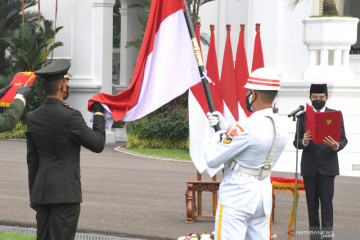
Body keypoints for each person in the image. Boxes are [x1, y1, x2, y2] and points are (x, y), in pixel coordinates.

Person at [26, 59, 106, 240]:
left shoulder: (33, 116)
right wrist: (99, 113)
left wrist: (34, 195)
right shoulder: (70, 116)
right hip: (65, 196)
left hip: (42, 194)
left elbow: (32, 160)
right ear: (63, 86)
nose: (68, 85)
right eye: (67, 82)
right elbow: (98, 144)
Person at [205, 68, 288, 240]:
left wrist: (217, 137)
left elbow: (212, 159)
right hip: (262, 194)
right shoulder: (281, 126)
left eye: (249, 91)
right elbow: (255, 140)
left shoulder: (247, 127)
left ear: (254, 94)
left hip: (238, 195)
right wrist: (228, 126)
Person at [293, 83, 347, 240]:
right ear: (310, 98)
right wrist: (303, 141)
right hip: (309, 168)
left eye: (321, 97)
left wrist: (336, 145)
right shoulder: (302, 116)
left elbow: (343, 139)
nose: (318, 100)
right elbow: (295, 142)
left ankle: (328, 238)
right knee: (312, 207)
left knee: (327, 206)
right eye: (315, 97)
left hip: (328, 167)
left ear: (326, 98)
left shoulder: (335, 114)